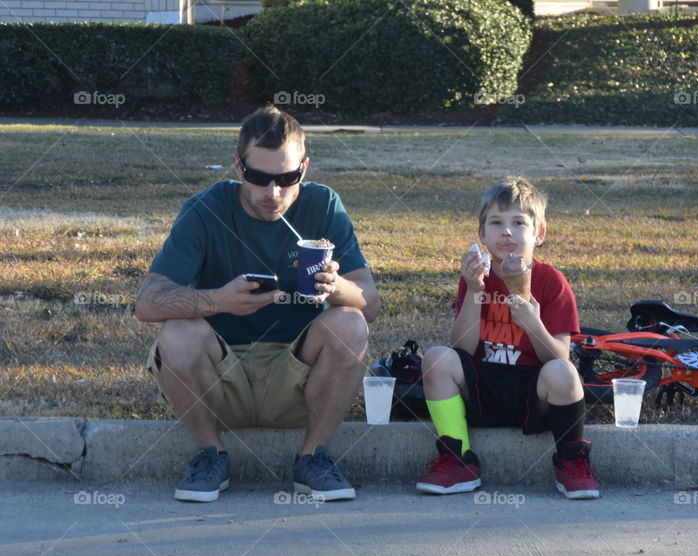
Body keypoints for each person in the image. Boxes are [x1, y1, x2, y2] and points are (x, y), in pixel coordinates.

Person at [135, 106, 380, 503]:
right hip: (220, 379)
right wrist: (217, 300)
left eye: (287, 178)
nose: (273, 193)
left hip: (298, 379)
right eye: (259, 177)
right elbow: (147, 304)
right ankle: (209, 453)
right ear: (237, 167)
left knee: (349, 323)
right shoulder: (206, 208)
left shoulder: (322, 205)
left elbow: (369, 301)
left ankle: (313, 457)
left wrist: (335, 287)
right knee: (178, 331)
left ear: (304, 167)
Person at [416, 176, 599, 499]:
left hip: (534, 390)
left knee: (565, 372)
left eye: (519, 223)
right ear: (482, 234)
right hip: (483, 385)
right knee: (437, 358)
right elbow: (463, 349)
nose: (506, 232)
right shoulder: (476, 276)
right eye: (496, 223)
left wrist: (532, 322)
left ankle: (571, 460)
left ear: (538, 234)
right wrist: (475, 291)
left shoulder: (551, 282)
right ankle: (458, 458)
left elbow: (559, 358)